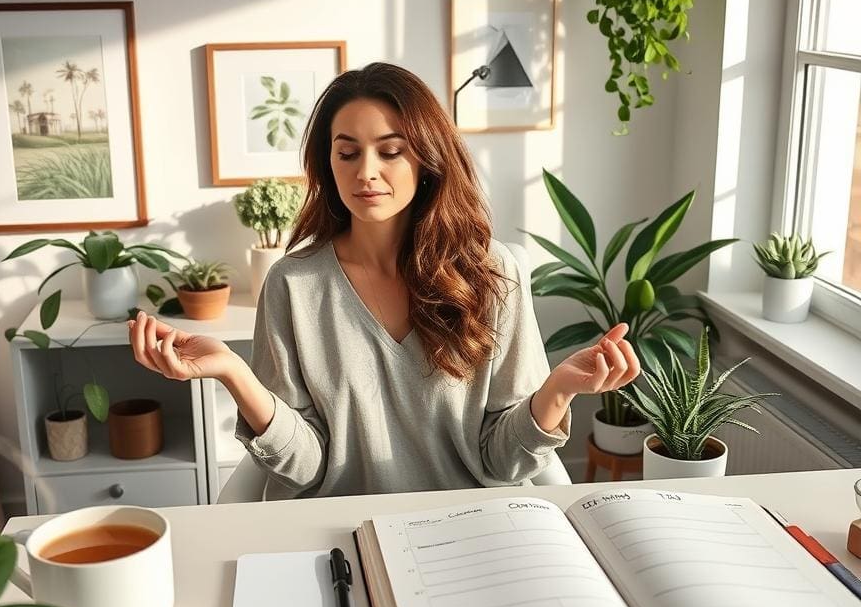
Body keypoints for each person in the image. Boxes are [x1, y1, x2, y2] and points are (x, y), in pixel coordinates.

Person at [129, 62, 640, 500]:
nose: (365, 172)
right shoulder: (294, 285)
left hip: (474, 528)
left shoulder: (490, 273)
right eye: (347, 153)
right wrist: (234, 374)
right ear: (328, 165)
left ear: (427, 160)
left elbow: (502, 463)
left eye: (390, 151)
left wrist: (559, 388)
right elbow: (307, 468)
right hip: (347, 536)